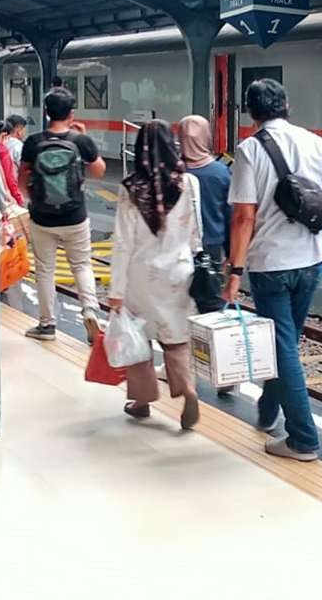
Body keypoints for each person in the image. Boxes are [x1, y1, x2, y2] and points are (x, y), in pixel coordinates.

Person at [223, 79, 322, 462]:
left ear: (251, 112)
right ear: (287, 105)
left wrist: (234, 272)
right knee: (286, 345)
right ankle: (266, 412)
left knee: (284, 350)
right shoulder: (315, 142)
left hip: (270, 265)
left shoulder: (249, 150)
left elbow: (245, 216)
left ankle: (303, 439)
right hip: (311, 262)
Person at [108, 120, 201, 429]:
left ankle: (142, 400)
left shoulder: (130, 188)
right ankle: (187, 389)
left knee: (138, 337)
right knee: (176, 338)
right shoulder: (189, 183)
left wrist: (115, 290)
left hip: (141, 275)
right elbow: (195, 230)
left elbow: (123, 242)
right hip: (178, 270)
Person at [18, 87, 105, 343]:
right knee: (82, 265)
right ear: (71, 113)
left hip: (42, 217)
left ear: (46, 113)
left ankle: (46, 325)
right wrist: (84, 140)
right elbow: (99, 171)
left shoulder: (33, 143)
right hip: (75, 216)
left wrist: (32, 199)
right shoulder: (80, 141)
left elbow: (22, 177)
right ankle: (90, 309)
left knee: (45, 270)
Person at [179, 115, 232, 268]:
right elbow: (230, 216)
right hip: (213, 244)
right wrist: (230, 254)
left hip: (178, 247)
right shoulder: (221, 172)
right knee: (211, 289)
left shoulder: (172, 172)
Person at [0, 119, 23, 206]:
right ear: (4, 135)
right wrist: (18, 198)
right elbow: (10, 177)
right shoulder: (3, 151)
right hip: (5, 197)